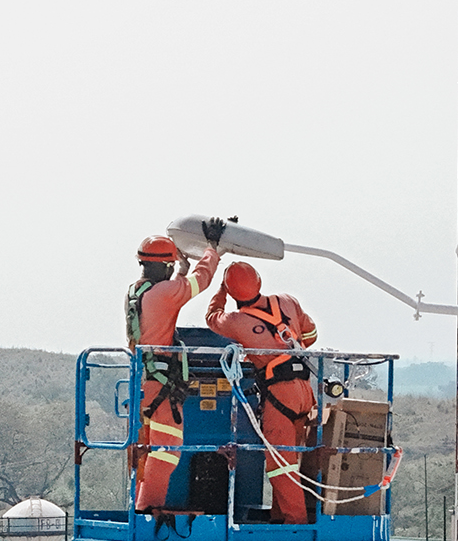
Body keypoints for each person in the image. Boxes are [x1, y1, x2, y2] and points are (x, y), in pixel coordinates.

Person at [206, 261, 319, 524]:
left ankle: (294, 520)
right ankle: (280, 514)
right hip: (304, 391)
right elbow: (311, 335)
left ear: (233, 292)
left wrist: (221, 291)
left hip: (280, 393)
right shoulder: (287, 301)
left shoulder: (236, 321)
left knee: (281, 463)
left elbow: (213, 317)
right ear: (258, 282)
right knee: (291, 457)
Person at [126, 223, 222, 512]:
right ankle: (148, 508)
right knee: (167, 450)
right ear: (163, 266)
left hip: (143, 381)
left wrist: (181, 266)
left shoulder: (138, 291)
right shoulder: (163, 294)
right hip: (160, 384)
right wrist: (213, 250)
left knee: (148, 449)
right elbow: (200, 281)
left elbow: (174, 287)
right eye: (169, 266)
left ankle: (141, 506)